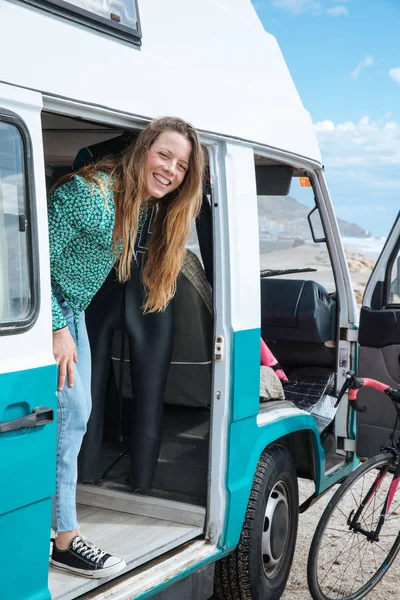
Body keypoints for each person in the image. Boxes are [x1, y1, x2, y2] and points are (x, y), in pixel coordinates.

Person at [48, 117, 204, 578]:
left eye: (180, 165)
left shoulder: (136, 203)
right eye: (164, 155)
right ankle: (65, 539)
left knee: (75, 416)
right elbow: (23, 260)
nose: (170, 169)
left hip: (71, 311)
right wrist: (56, 326)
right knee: (71, 420)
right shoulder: (90, 195)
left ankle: (47, 524)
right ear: (143, 150)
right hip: (51, 312)